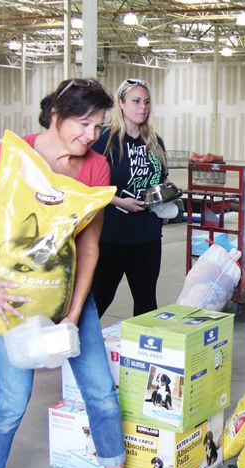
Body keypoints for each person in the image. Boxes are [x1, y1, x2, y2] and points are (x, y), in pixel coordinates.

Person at [0, 78, 160, 468]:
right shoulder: (11, 155)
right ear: (55, 115)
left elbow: (90, 246)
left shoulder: (96, 166)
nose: (91, 135)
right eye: (83, 123)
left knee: (100, 391)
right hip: (11, 300)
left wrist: (75, 314)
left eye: (98, 126)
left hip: (70, 298)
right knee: (11, 400)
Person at [91, 78, 168, 317]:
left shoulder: (154, 142)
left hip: (147, 236)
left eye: (146, 102)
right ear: (121, 104)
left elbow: (162, 178)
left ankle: (144, 352)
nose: (142, 107)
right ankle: (76, 350)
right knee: (99, 298)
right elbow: (87, 184)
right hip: (112, 235)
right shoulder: (104, 140)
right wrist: (118, 201)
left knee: (146, 301)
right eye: (136, 101)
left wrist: (165, 197)